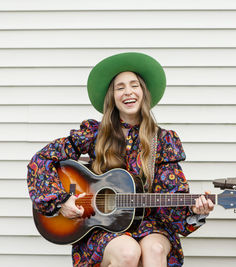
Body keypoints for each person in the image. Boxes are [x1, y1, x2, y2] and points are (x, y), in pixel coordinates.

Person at [27, 52, 214, 267]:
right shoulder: (95, 134)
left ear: (143, 92)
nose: (128, 92)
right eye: (120, 87)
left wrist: (194, 210)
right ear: (112, 96)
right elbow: (41, 160)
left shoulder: (162, 140)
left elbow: (172, 196)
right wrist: (61, 202)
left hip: (150, 224)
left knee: (154, 249)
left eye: (134, 85)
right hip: (101, 226)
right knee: (128, 252)